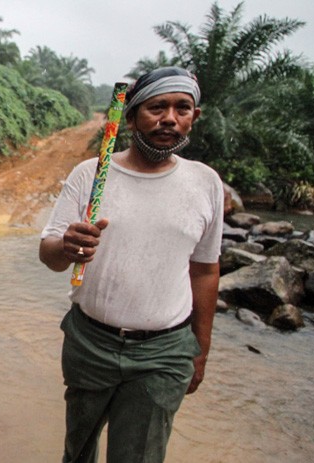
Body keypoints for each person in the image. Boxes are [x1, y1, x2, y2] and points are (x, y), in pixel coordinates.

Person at [38, 67, 223, 463]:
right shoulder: (91, 175)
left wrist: (200, 351)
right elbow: (49, 255)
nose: (170, 118)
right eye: (157, 107)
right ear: (133, 114)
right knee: (78, 451)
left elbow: (205, 270)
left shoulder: (205, 183)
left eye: (182, 109)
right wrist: (68, 246)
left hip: (165, 350)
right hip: (90, 342)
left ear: (195, 117)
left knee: (139, 457)